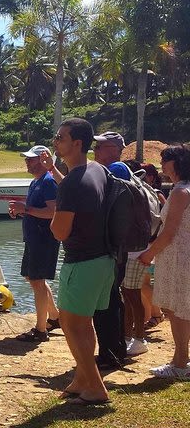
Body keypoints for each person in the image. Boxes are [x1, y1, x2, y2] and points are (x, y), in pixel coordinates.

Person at [44, 118, 114, 405]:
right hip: (104, 258)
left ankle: (96, 387)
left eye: (60, 138)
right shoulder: (97, 170)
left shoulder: (71, 184)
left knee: (71, 325)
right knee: (84, 324)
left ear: (77, 144)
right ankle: (81, 379)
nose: (55, 142)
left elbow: (60, 231)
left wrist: (53, 217)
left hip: (81, 261)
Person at [139, 144, 190, 379]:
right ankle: (181, 359)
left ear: (177, 163)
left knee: (177, 309)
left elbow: (169, 232)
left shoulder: (181, 191)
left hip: (178, 256)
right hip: (179, 254)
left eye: (165, 160)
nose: (161, 164)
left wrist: (149, 253)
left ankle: (180, 363)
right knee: (179, 308)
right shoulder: (183, 189)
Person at [8, 145, 60, 342]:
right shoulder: (36, 182)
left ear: (42, 159)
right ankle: (54, 317)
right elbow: (33, 209)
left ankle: (40, 329)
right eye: (26, 159)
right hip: (33, 239)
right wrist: (20, 210)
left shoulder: (48, 182)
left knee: (37, 280)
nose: (27, 162)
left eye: (30, 159)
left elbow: (53, 212)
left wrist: (26, 209)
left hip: (44, 239)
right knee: (33, 278)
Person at [91, 131, 133, 362]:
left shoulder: (115, 169)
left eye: (100, 147)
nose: (95, 151)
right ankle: (116, 349)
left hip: (113, 247)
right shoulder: (119, 169)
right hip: (118, 245)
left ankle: (109, 352)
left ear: (115, 149)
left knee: (106, 300)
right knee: (112, 297)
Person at [139, 163, 166, 329]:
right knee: (143, 282)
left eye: (146, 174)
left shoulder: (156, 194)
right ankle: (150, 315)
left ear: (152, 177)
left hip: (152, 244)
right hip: (147, 243)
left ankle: (157, 313)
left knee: (142, 283)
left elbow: (165, 217)